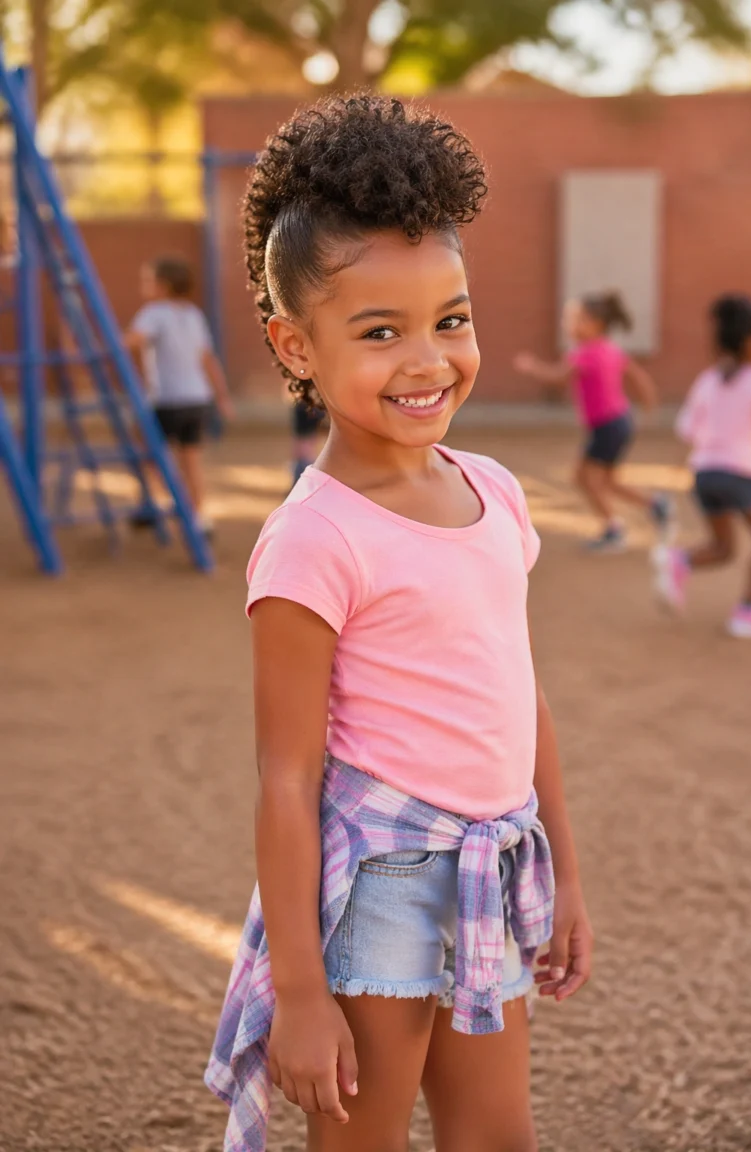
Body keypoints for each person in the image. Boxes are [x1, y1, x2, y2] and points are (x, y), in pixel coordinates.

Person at [205, 95, 593, 1152]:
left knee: (497, 1134)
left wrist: (562, 870)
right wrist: (300, 991)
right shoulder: (314, 539)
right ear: (296, 345)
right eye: (380, 332)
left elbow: (520, 693)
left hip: (493, 863)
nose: (428, 360)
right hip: (384, 883)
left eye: (450, 320)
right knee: (362, 1139)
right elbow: (287, 776)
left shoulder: (494, 490)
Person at [514, 293, 671, 552]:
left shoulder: (584, 354)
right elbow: (639, 377)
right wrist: (649, 403)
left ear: (596, 324)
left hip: (608, 426)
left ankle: (614, 530)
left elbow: (558, 377)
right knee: (606, 480)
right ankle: (655, 505)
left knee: (585, 477)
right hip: (619, 422)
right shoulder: (611, 349)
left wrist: (532, 367)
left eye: (578, 319)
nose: (570, 325)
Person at [654, 294, 751, 637]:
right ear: (749, 342)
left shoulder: (708, 379)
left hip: (704, 475)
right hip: (739, 476)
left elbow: (687, 429)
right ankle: (748, 612)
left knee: (724, 549)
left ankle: (680, 561)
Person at [124, 256, 233, 535]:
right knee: (191, 460)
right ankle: (198, 517)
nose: (144, 286)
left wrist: (110, 342)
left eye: (149, 281)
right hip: (197, 399)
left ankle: (157, 501)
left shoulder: (154, 313)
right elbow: (207, 358)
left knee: (148, 452)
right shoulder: (194, 315)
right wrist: (222, 397)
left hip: (168, 400)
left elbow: (133, 341)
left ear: (164, 285)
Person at [291, 397, 326, 488]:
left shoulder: (303, 406)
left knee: (303, 455)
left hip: (306, 436)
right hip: (305, 435)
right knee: (304, 455)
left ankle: (299, 483)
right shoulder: (306, 407)